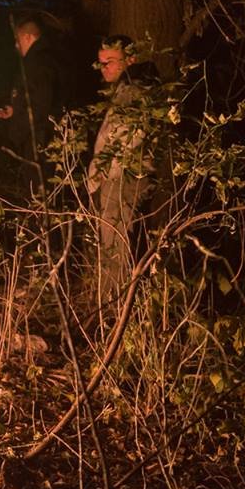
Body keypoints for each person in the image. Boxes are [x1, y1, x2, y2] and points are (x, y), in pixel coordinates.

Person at [86, 35, 157, 298]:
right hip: (115, 182)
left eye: (111, 62)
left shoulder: (135, 92)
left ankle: (115, 313)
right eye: (102, 62)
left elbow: (127, 140)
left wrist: (103, 175)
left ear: (130, 60)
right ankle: (114, 311)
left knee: (117, 250)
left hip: (123, 181)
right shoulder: (122, 92)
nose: (104, 68)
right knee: (112, 248)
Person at [0, 18, 63, 191]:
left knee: (39, 190)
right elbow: (31, 97)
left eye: (18, 40)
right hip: (35, 137)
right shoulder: (34, 62)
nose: (16, 46)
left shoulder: (39, 63)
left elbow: (41, 104)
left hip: (39, 139)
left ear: (28, 37)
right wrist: (13, 111)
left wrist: (19, 132)